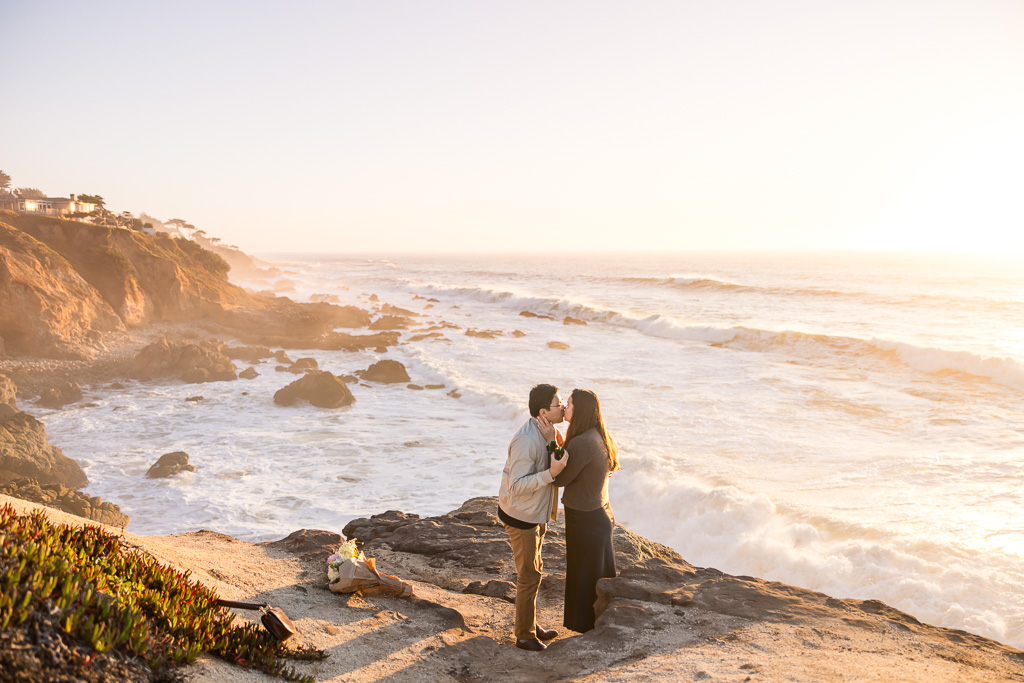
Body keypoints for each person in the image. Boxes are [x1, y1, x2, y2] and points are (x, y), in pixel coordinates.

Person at [498, 383, 569, 651]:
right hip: (521, 516)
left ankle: (529, 622)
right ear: (543, 411)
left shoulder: (549, 432)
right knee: (529, 574)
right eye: (558, 404)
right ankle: (524, 635)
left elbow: (560, 458)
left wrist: (554, 441)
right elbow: (516, 486)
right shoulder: (527, 440)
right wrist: (549, 475)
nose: (562, 407)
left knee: (534, 571)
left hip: (535, 513)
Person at [547, 388, 620, 633]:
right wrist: (560, 442)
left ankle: (584, 629)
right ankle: (599, 627)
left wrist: (550, 441)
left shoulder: (582, 442)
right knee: (597, 579)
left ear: (580, 410)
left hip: (585, 519)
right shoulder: (597, 436)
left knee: (584, 578)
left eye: (568, 403)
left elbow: (559, 478)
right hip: (599, 515)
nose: (565, 407)